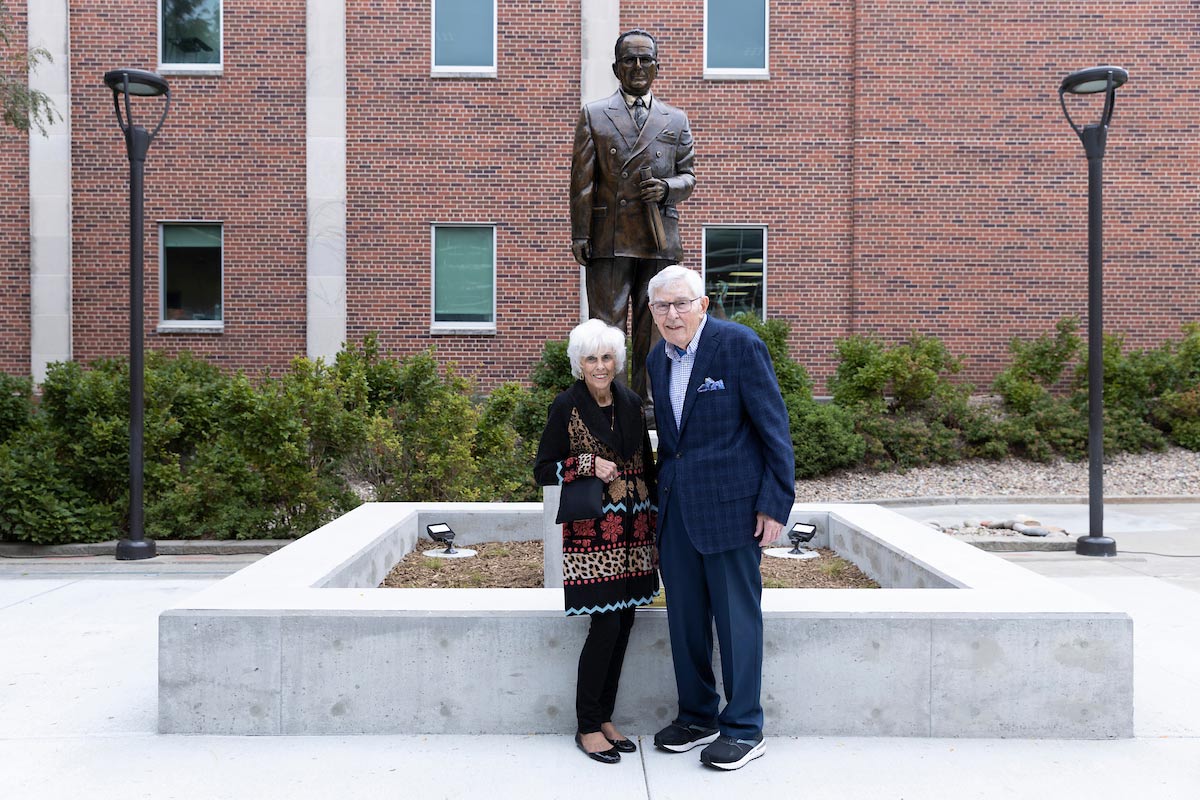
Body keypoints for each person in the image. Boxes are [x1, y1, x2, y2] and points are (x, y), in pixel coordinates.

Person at [645, 265, 795, 771]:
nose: (672, 314)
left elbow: (774, 428)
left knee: (736, 623)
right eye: (662, 306)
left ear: (703, 304)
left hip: (733, 513)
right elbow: (672, 446)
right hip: (678, 511)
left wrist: (776, 502)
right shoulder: (655, 359)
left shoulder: (738, 345)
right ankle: (697, 716)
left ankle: (744, 728)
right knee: (685, 621)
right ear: (652, 312)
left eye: (681, 303)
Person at [534, 319, 660, 764]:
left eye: (607, 357)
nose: (600, 365)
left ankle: (605, 718)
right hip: (593, 539)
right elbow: (543, 468)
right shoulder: (566, 405)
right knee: (604, 626)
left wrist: (660, 523)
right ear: (579, 363)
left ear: (616, 361)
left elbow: (646, 465)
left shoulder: (628, 402)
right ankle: (587, 725)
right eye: (591, 358)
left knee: (624, 625)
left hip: (636, 533)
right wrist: (586, 462)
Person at [569, 28, 696, 406]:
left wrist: (667, 188)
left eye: (645, 60)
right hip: (610, 236)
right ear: (616, 67)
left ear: (656, 67)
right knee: (607, 328)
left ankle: (649, 405)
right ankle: (612, 403)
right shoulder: (594, 115)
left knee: (656, 325)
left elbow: (689, 176)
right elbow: (582, 184)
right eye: (630, 60)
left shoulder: (675, 119)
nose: (638, 67)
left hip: (658, 237)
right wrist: (580, 234)